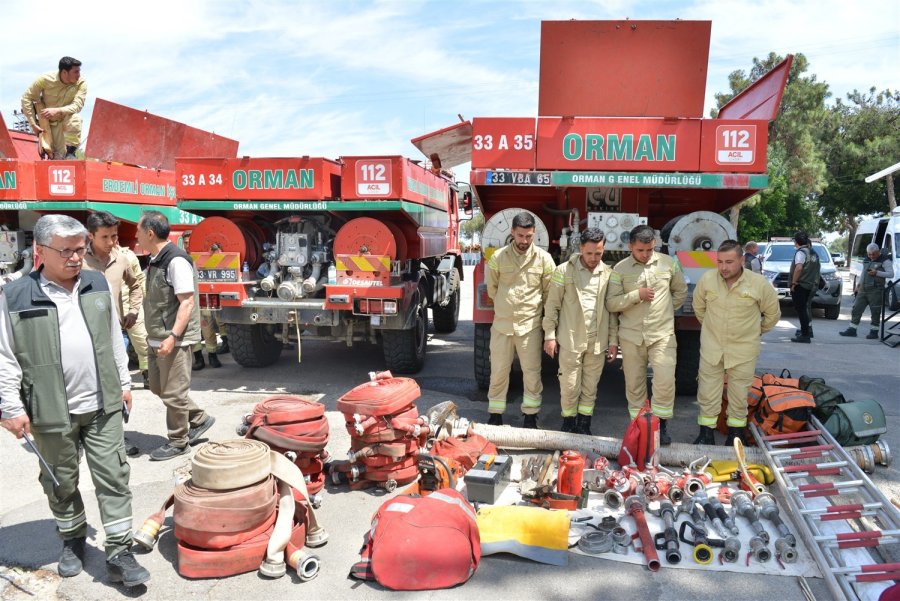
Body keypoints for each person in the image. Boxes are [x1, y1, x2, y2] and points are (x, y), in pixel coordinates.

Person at [0, 215, 150, 586]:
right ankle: (72, 538)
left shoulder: (96, 283)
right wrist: (11, 407)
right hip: (49, 410)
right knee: (60, 481)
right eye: (65, 251)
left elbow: (114, 337)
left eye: (80, 250)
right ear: (40, 250)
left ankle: (119, 552)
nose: (75, 258)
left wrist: (124, 382)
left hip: (102, 405)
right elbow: (5, 357)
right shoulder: (15, 296)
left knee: (114, 476)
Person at [137, 211, 215, 461]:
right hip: (156, 336)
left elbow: (187, 303)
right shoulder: (156, 260)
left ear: (150, 233)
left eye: (139, 231)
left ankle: (178, 441)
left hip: (173, 339)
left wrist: (172, 337)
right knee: (159, 387)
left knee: (173, 393)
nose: (136, 236)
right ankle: (199, 418)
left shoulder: (176, 261)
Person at [692, 240, 781, 445]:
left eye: (729, 262)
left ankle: (735, 434)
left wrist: (755, 331)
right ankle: (706, 434)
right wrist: (712, 329)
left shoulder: (758, 284)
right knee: (707, 392)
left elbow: (772, 314)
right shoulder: (707, 280)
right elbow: (699, 308)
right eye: (720, 262)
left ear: (742, 260)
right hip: (712, 347)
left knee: (739, 395)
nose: (723, 267)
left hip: (743, 350)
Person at [606, 224, 687, 446]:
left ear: (655, 245)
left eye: (650, 249)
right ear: (630, 246)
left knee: (664, 381)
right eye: (640, 250)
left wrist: (666, 310)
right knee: (634, 385)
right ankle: (639, 426)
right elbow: (611, 303)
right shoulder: (619, 269)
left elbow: (680, 291)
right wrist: (636, 295)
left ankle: (660, 426)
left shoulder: (669, 263)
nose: (645, 254)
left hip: (662, 334)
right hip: (631, 336)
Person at [542, 228, 618, 435]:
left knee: (590, 387)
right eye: (589, 253)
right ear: (581, 248)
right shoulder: (564, 271)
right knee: (569, 385)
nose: (593, 258)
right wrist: (549, 335)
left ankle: (584, 425)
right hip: (571, 339)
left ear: (604, 250)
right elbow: (552, 305)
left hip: (597, 342)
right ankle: (568, 423)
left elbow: (612, 312)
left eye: (598, 253)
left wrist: (613, 341)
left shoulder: (609, 274)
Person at [485, 211, 555, 428]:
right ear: (512, 232)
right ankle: (495, 414)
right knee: (498, 371)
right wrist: (506, 306)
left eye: (529, 236)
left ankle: (531, 416)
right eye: (520, 236)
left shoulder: (544, 259)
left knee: (532, 373)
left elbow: (549, 295)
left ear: (534, 233)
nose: (524, 241)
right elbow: (492, 289)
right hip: (502, 326)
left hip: (529, 326)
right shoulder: (498, 258)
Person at [83, 211, 150, 389]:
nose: (111, 242)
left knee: (118, 381)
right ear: (91, 235)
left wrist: (133, 311)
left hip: (116, 332)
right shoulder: (79, 260)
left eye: (114, 236)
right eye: (104, 237)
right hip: (86, 332)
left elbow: (135, 286)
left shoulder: (121, 259)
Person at [20, 57, 87, 160]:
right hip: (49, 125)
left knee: (76, 119)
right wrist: (33, 124)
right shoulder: (44, 80)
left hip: (67, 120)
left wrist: (58, 110)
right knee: (58, 159)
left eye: (79, 71)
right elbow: (26, 98)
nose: (79, 75)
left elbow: (77, 106)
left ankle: (71, 152)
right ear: (64, 72)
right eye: (76, 72)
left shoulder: (81, 83)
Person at [840, 243, 894, 340]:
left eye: (874, 254)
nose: (871, 256)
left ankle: (874, 332)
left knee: (875, 311)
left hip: (876, 290)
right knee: (856, 309)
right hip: (863, 289)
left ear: (878, 252)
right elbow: (863, 273)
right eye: (869, 254)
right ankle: (852, 330)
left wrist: (877, 273)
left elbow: (891, 274)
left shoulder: (885, 260)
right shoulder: (866, 259)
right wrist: (858, 285)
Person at [788, 231, 820, 343]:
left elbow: (799, 268)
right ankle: (806, 331)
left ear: (796, 242)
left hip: (800, 284)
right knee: (804, 309)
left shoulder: (801, 252)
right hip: (810, 284)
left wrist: (793, 283)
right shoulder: (813, 252)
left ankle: (805, 335)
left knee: (801, 310)